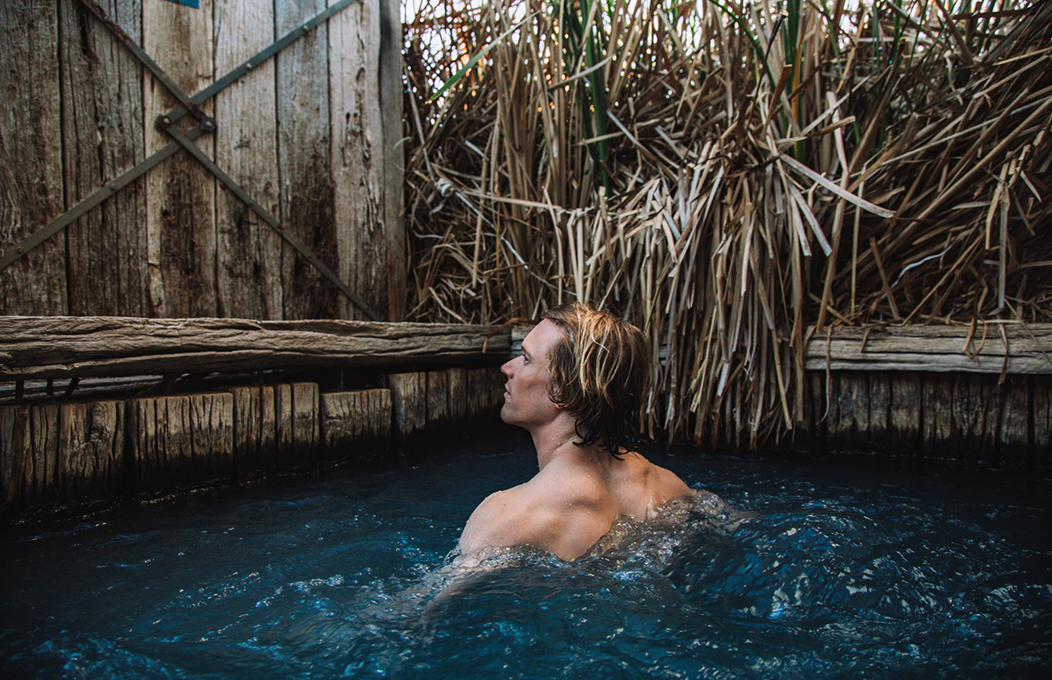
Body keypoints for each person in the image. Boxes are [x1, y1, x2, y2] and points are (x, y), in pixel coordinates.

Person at [456, 302, 693, 565]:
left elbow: (442, 602)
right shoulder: (670, 487)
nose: (507, 368)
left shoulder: (506, 518)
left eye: (525, 358)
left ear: (562, 391)